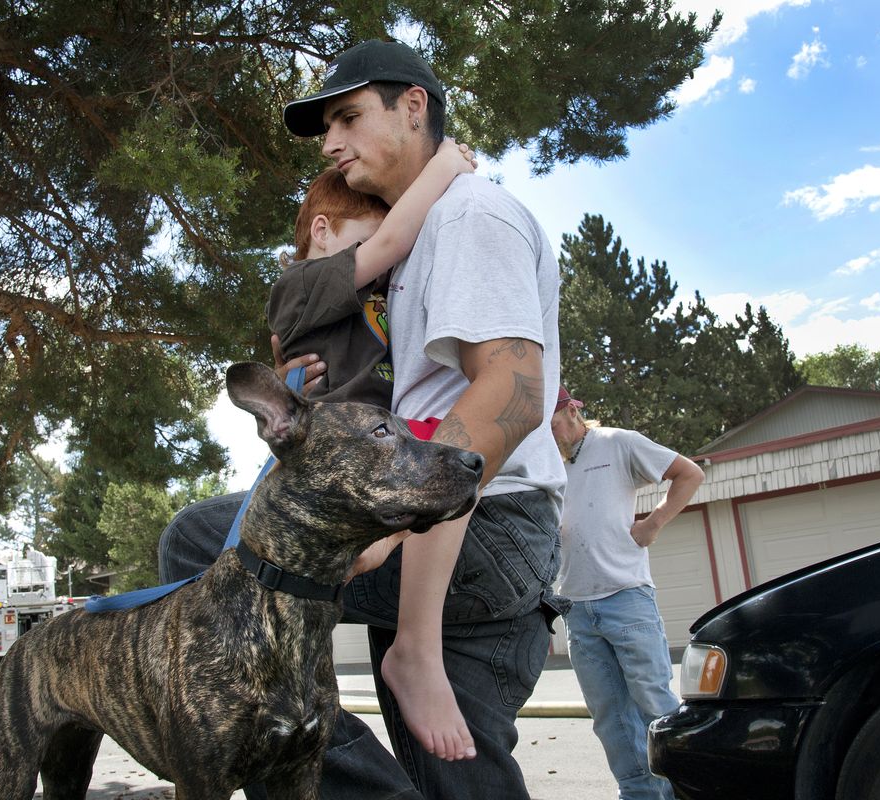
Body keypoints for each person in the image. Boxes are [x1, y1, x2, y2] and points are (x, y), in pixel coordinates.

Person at [161, 39, 567, 800]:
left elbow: (513, 385)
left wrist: (390, 524)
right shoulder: (411, 244)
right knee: (461, 777)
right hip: (456, 531)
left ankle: (300, 737)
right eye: (326, 128)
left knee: (196, 544)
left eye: (347, 116)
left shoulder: (472, 216)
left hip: (481, 526)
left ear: (414, 106)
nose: (331, 142)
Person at [269, 142, 478, 762]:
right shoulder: (299, 284)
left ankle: (389, 541)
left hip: (377, 447)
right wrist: (444, 167)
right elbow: (388, 246)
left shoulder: (365, 293)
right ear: (325, 231)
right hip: (340, 455)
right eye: (368, 240)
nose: (384, 265)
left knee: (450, 443)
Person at [549, 386, 705, 800]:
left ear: (570, 410)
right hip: (576, 607)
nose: (543, 432)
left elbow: (690, 473)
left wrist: (653, 523)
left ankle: (686, 790)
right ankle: (637, 793)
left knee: (655, 705)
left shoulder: (618, 443)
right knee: (610, 717)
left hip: (626, 598)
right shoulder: (549, 465)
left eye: (548, 420)